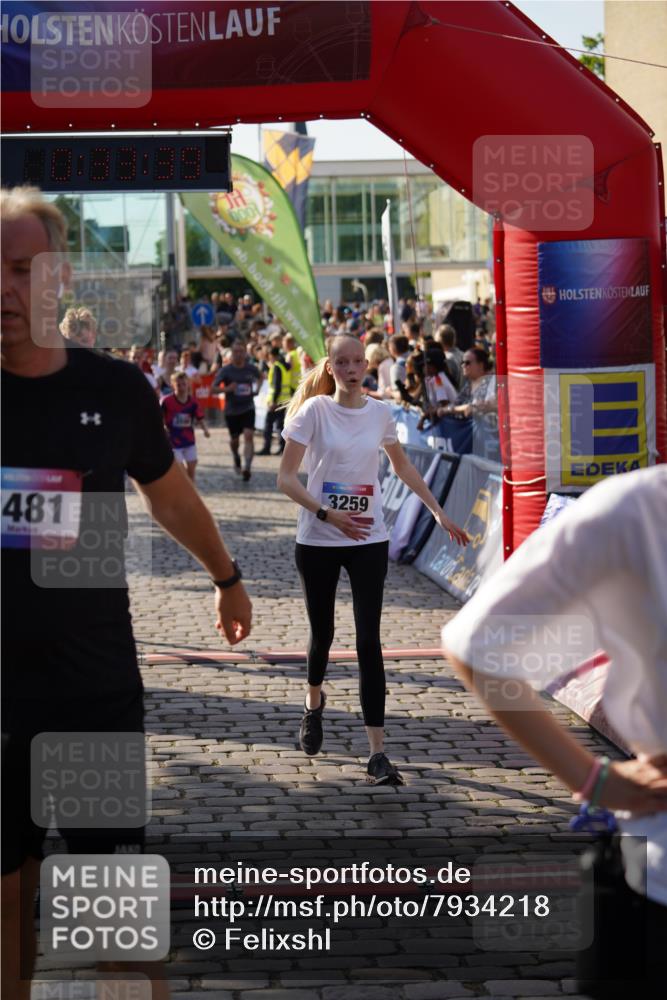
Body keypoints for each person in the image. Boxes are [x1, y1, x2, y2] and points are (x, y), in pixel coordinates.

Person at [1, 187, 252, 1000]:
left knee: (112, 905)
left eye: (20, 269)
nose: (4, 289)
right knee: (5, 897)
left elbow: (170, 496)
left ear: (58, 278)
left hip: (91, 685)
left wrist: (228, 575)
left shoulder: (113, 391)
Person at [442, 465, 667, 997]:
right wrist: (593, 780)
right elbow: (476, 647)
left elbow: (478, 647)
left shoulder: (633, 507)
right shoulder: (633, 510)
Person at [277, 334, 468, 785]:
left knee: (369, 642)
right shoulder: (314, 412)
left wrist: (438, 511)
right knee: (321, 633)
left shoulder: (380, 413)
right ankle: (312, 703)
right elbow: (285, 479)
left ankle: (377, 753)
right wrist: (327, 514)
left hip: (368, 538)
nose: (349, 368)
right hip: (320, 538)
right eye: (340, 362)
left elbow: (402, 467)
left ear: (366, 365)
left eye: (356, 361)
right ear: (329, 366)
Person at [212, 338, 262, 481]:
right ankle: (235, 456)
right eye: (236, 351)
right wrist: (227, 388)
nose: (238, 354)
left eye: (241, 351)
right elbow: (213, 389)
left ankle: (247, 467)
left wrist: (257, 389)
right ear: (231, 354)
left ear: (245, 353)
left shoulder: (251, 368)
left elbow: (261, 377)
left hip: (248, 407)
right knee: (235, 440)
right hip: (232, 410)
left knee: (248, 435)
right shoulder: (225, 370)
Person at [161, 371, 210, 480]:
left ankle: (191, 492)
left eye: (184, 384)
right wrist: (163, 427)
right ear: (172, 385)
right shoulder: (166, 401)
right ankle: (184, 491)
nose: (182, 387)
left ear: (188, 384)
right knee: (181, 469)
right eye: (178, 385)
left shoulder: (193, 402)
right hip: (173, 441)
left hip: (189, 440)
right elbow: (159, 416)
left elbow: (200, 417)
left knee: (191, 468)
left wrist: (205, 430)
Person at [436, 346, 496, 420]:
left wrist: (449, 410)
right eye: (462, 363)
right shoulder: (470, 384)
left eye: (467, 363)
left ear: (481, 364)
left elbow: (475, 407)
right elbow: (457, 403)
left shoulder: (492, 381)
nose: (463, 366)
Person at [259, 344, 291, 456]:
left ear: (272, 355)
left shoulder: (276, 366)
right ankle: (282, 448)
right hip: (284, 400)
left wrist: (273, 401)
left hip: (277, 401)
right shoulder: (284, 366)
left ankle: (266, 447)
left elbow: (276, 386)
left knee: (268, 425)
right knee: (280, 425)